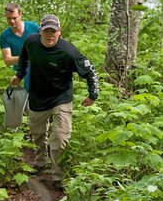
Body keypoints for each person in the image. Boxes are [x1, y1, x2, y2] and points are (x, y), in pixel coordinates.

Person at [10, 13, 99, 185]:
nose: (50, 35)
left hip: (61, 98)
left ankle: (58, 175)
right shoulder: (31, 42)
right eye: (46, 31)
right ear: (40, 31)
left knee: (59, 137)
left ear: (60, 31)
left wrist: (92, 95)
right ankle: (41, 162)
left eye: (54, 31)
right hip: (37, 97)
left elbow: (90, 71)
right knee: (37, 134)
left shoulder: (68, 51)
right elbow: (24, 57)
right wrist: (19, 75)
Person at [0, 2, 39, 92]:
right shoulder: (5, 36)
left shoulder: (34, 28)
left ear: (20, 15)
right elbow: (8, 60)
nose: (12, 21)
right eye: (9, 18)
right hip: (21, 72)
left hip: (39, 66)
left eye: (14, 18)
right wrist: (27, 57)